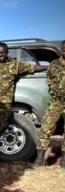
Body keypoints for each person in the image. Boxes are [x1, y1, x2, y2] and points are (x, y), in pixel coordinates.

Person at [0, 42, 48, 163]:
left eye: (3, 52)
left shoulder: (14, 65)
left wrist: (49, 67)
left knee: (0, 126)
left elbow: (33, 68)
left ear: (7, 52)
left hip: (3, 103)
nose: (1, 55)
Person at [31, 40, 65, 169]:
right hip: (56, 102)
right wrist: (53, 88)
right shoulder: (54, 64)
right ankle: (40, 160)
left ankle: (64, 161)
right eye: (63, 49)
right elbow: (49, 78)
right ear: (61, 50)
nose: (64, 51)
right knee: (45, 129)